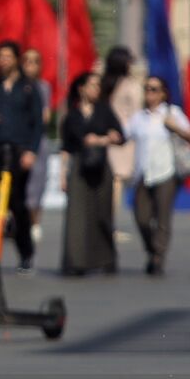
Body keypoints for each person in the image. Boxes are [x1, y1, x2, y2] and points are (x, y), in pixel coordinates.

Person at [0, 41, 45, 272]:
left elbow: (37, 125)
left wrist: (31, 151)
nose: (3, 61)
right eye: (0, 56)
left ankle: (26, 252)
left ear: (16, 59)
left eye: (8, 56)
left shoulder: (29, 89)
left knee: (17, 204)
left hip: (18, 153)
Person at [125, 75, 190, 276]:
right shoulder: (139, 117)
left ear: (163, 93)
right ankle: (151, 249)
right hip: (143, 173)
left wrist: (174, 126)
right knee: (142, 218)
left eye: (154, 89)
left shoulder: (172, 113)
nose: (149, 93)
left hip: (166, 172)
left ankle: (158, 257)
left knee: (163, 218)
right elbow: (123, 135)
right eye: (147, 89)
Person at [60, 71, 124, 276]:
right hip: (79, 166)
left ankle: (106, 258)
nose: (96, 89)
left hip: (101, 166)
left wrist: (103, 139)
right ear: (82, 89)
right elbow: (67, 147)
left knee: (102, 213)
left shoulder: (104, 111)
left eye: (98, 86)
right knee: (77, 216)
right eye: (93, 85)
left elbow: (119, 135)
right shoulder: (72, 115)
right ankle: (76, 261)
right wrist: (63, 174)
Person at [101, 46, 143, 200]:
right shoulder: (131, 85)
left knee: (108, 179)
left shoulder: (104, 83)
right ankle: (109, 219)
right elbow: (136, 112)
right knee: (117, 179)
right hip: (124, 136)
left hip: (104, 134)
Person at [21, 48, 53, 245]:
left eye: (35, 62)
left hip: (37, 141)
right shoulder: (17, 87)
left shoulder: (43, 87)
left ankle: (34, 223)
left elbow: (45, 116)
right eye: (27, 61)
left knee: (37, 185)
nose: (30, 66)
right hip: (20, 140)